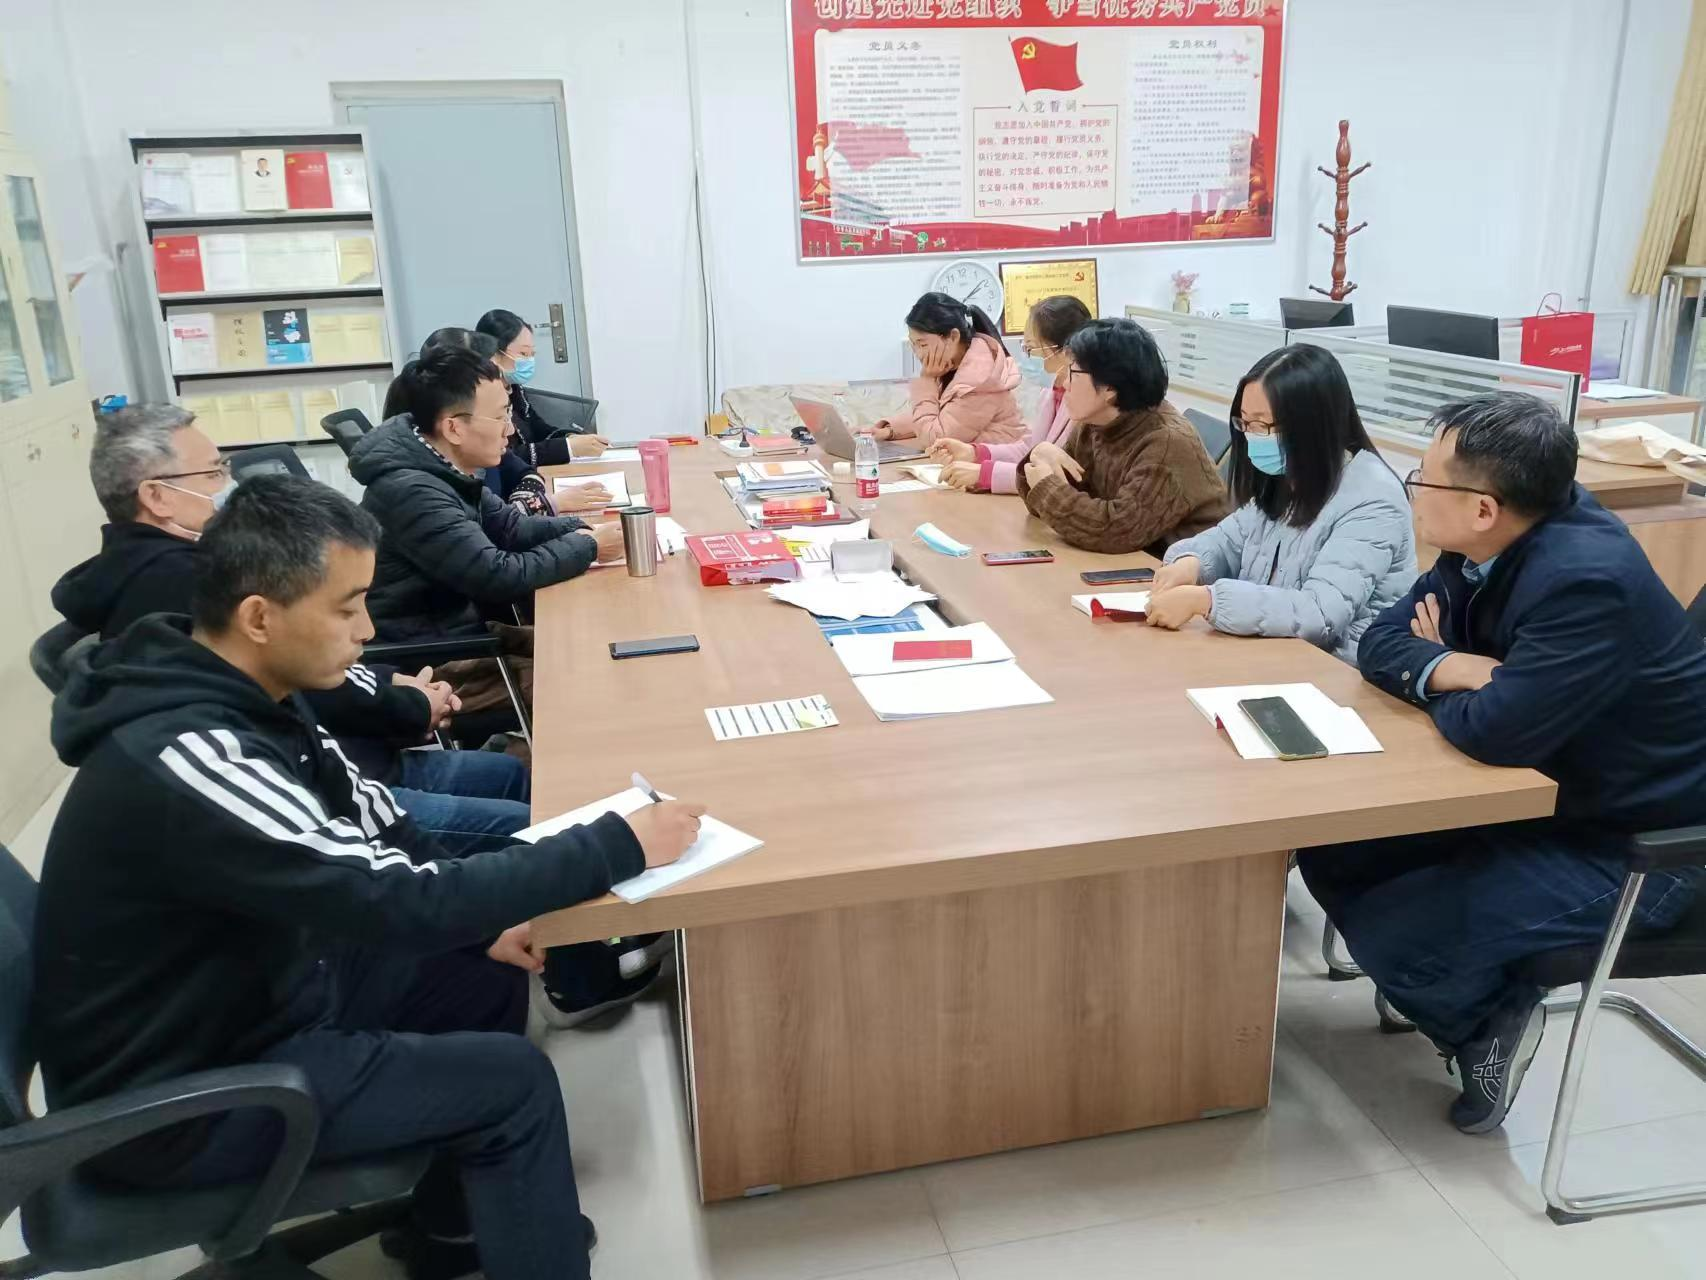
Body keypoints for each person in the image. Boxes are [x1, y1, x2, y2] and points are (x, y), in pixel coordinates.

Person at [31, 474, 707, 1279]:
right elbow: (400, 900)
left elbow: (385, 828)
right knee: (514, 1083)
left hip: (255, 988)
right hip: (180, 1095)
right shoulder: (191, 756)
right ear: (260, 617)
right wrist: (617, 844)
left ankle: (453, 1230)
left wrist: (487, 922)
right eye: (347, 607)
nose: (368, 629)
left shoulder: (252, 689)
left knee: (479, 974)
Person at [1297, 392, 1706, 1135]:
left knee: (1399, 939)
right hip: (1546, 799)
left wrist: (1457, 679)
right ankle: (1463, 985)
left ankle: (1485, 1025)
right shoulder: (1490, 539)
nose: (1413, 491)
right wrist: (1459, 666)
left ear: (1483, 507)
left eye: (1423, 479)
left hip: (1640, 849)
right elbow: (1383, 642)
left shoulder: (1587, 580)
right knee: (1333, 848)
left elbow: (1494, 734)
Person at [50, 404, 531, 858]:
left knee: (514, 777)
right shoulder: (189, 581)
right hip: (321, 779)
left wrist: (389, 682)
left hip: (343, 757)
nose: (226, 484)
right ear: (156, 496)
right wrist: (408, 704)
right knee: (527, 825)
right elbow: (308, 691)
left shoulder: (176, 564)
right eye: (213, 473)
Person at [1144, 344, 1415, 660]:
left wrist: (1207, 600)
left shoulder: (1373, 500)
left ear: (1311, 424)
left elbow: (1319, 613)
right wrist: (1191, 563)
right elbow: (1228, 540)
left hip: (1338, 669)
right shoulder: (1290, 474)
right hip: (1271, 651)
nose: (1251, 436)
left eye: (1262, 425)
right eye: (1245, 422)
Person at [352, 344, 621, 658]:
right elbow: (499, 576)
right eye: (499, 417)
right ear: (453, 428)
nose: (510, 429)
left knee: (586, 641)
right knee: (585, 662)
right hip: (432, 660)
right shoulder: (413, 492)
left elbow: (511, 527)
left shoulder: (441, 466)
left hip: (466, 631)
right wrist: (588, 546)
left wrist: (582, 527)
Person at [1015, 317, 1229, 554]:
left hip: (1180, 568)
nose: (1064, 382)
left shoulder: (1166, 442)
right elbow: (1054, 508)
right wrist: (1038, 457)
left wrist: (1046, 485)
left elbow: (1115, 531)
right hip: (1131, 563)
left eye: (1072, 372)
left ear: (1110, 387)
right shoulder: (1094, 424)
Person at [385, 328, 610, 518]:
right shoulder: (427, 488)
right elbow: (493, 534)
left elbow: (521, 478)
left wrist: (525, 508)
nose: (509, 429)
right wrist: (541, 507)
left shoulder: (476, 449)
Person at [927, 294, 1091, 493]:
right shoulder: (1051, 393)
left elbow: (1059, 474)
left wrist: (984, 474)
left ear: (1065, 350)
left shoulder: (1087, 404)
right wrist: (974, 453)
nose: (1027, 357)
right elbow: (1030, 451)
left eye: (1031, 349)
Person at [871, 292, 1026, 447]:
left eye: (923, 344)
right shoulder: (953, 365)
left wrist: (926, 382)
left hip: (996, 459)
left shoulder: (979, 380)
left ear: (953, 336)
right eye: (914, 345)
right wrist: (890, 430)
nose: (918, 354)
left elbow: (934, 438)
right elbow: (939, 415)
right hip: (969, 457)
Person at [476, 308, 610, 466]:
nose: (529, 360)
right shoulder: (480, 396)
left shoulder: (514, 388)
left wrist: (570, 438)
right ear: (494, 354)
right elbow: (504, 457)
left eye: (532, 354)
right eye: (523, 354)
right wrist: (567, 448)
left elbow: (538, 428)